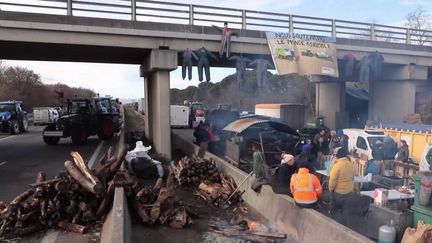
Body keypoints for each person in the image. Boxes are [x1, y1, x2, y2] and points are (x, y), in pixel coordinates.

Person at [329, 148, 355, 226]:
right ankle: (345, 227)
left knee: (335, 211)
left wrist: (331, 190)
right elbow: (353, 177)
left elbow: (332, 180)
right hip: (349, 192)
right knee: (345, 211)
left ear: (338, 156)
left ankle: (334, 226)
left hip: (338, 192)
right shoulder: (351, 165)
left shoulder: (337, 166)